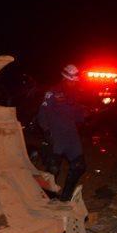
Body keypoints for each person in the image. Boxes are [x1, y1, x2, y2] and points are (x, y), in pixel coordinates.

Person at [36, 64, 86, 201]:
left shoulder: (76, 94)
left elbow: (78, 116)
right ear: (65, 78)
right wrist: (47, 132)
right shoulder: (53, 92)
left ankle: (65, 197)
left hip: (71, 136)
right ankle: (46, 199)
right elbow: (42, 114)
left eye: (75, 81)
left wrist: (87, 114)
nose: (74, 83)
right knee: (53, 169)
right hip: (56, 135)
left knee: (79, 166)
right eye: (72, 80)